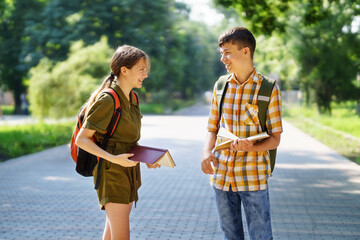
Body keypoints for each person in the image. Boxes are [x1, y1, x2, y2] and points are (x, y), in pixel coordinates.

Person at [201, 27, 283, 240]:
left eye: (227, 52)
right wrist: (206, 153)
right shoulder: (220, 86)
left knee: (261, 236)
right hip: (222, 176)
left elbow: (275, 139)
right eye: (221, 53)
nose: (222, 58)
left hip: (253, 178)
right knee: (230, 236)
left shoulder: (268, 89)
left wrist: (252, 146)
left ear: (245, 52)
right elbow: (212, 128)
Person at [76, 45, 160, 240]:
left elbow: (128, 140)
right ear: (124, 70)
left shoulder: (132, 98)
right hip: (111, 174)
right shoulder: (108, 99)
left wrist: (147, 157)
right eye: (141, 69)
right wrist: (114, 159)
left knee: (111, 233)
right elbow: (82, 139)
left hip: (128, 171)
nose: (145, 74)